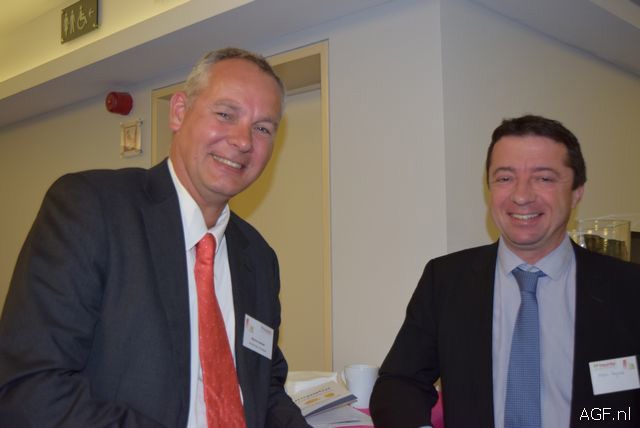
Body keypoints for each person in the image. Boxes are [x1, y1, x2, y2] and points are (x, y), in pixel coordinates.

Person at [0, 47, 310, 427]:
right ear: (178, 112)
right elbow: (31, 390)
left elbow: (266, 391)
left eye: (262, 128)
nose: (244, 140)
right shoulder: (92, 209)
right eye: (226, 114)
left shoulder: (259, 258)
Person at [370, 115, 640, 428]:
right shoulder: (445, 280)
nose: (521, 196)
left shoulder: (629, 288)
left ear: (577, 191)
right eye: (505, 178)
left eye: (544, 178)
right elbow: (399, 383)